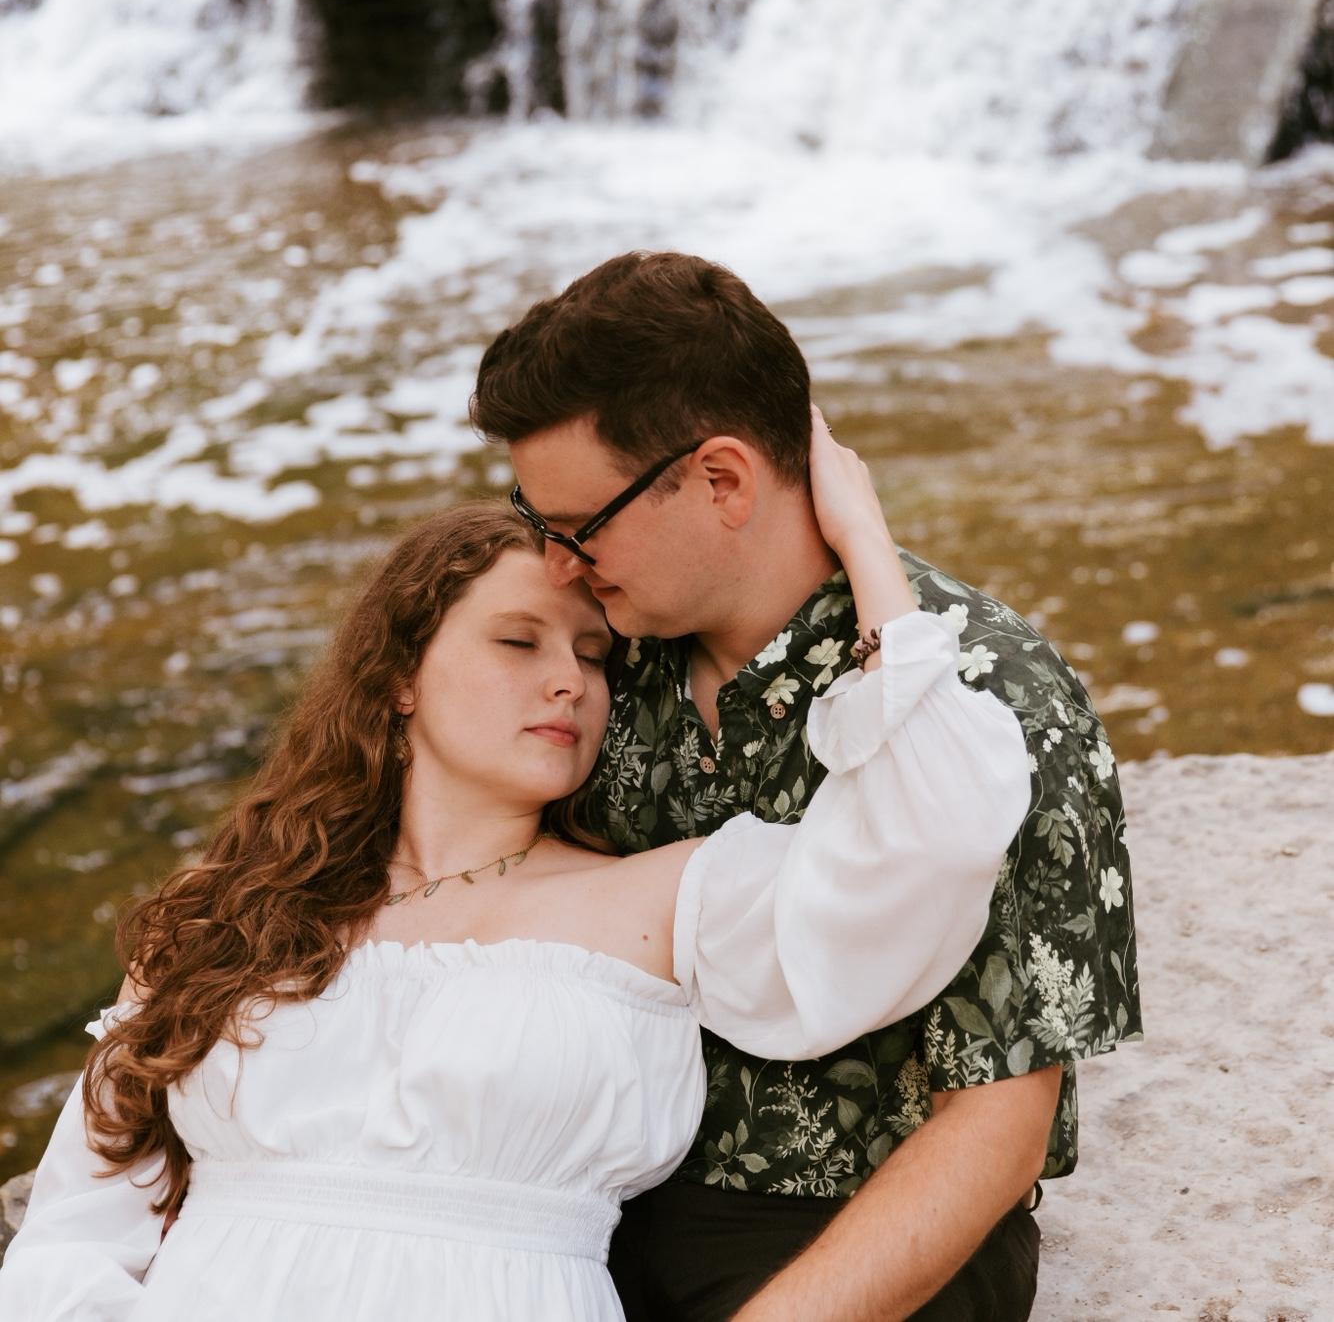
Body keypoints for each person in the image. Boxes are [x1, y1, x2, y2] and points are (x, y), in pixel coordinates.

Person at [0, 463, 1031, 1320]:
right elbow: (81, 1218)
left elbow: (928, 847)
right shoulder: (234, 906)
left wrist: (863, 548)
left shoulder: (660, 896)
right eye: (517, 641)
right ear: (400, 675)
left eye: (594, 654)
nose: (570, 680)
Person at [473, 250, 1144, 1321]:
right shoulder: (591, 657)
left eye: (580, 528)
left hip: (844, 1235)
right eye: (533, 518)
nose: (557, 563)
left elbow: (996, 1121)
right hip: (574, 1191)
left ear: (723, 480)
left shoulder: (993, 696)